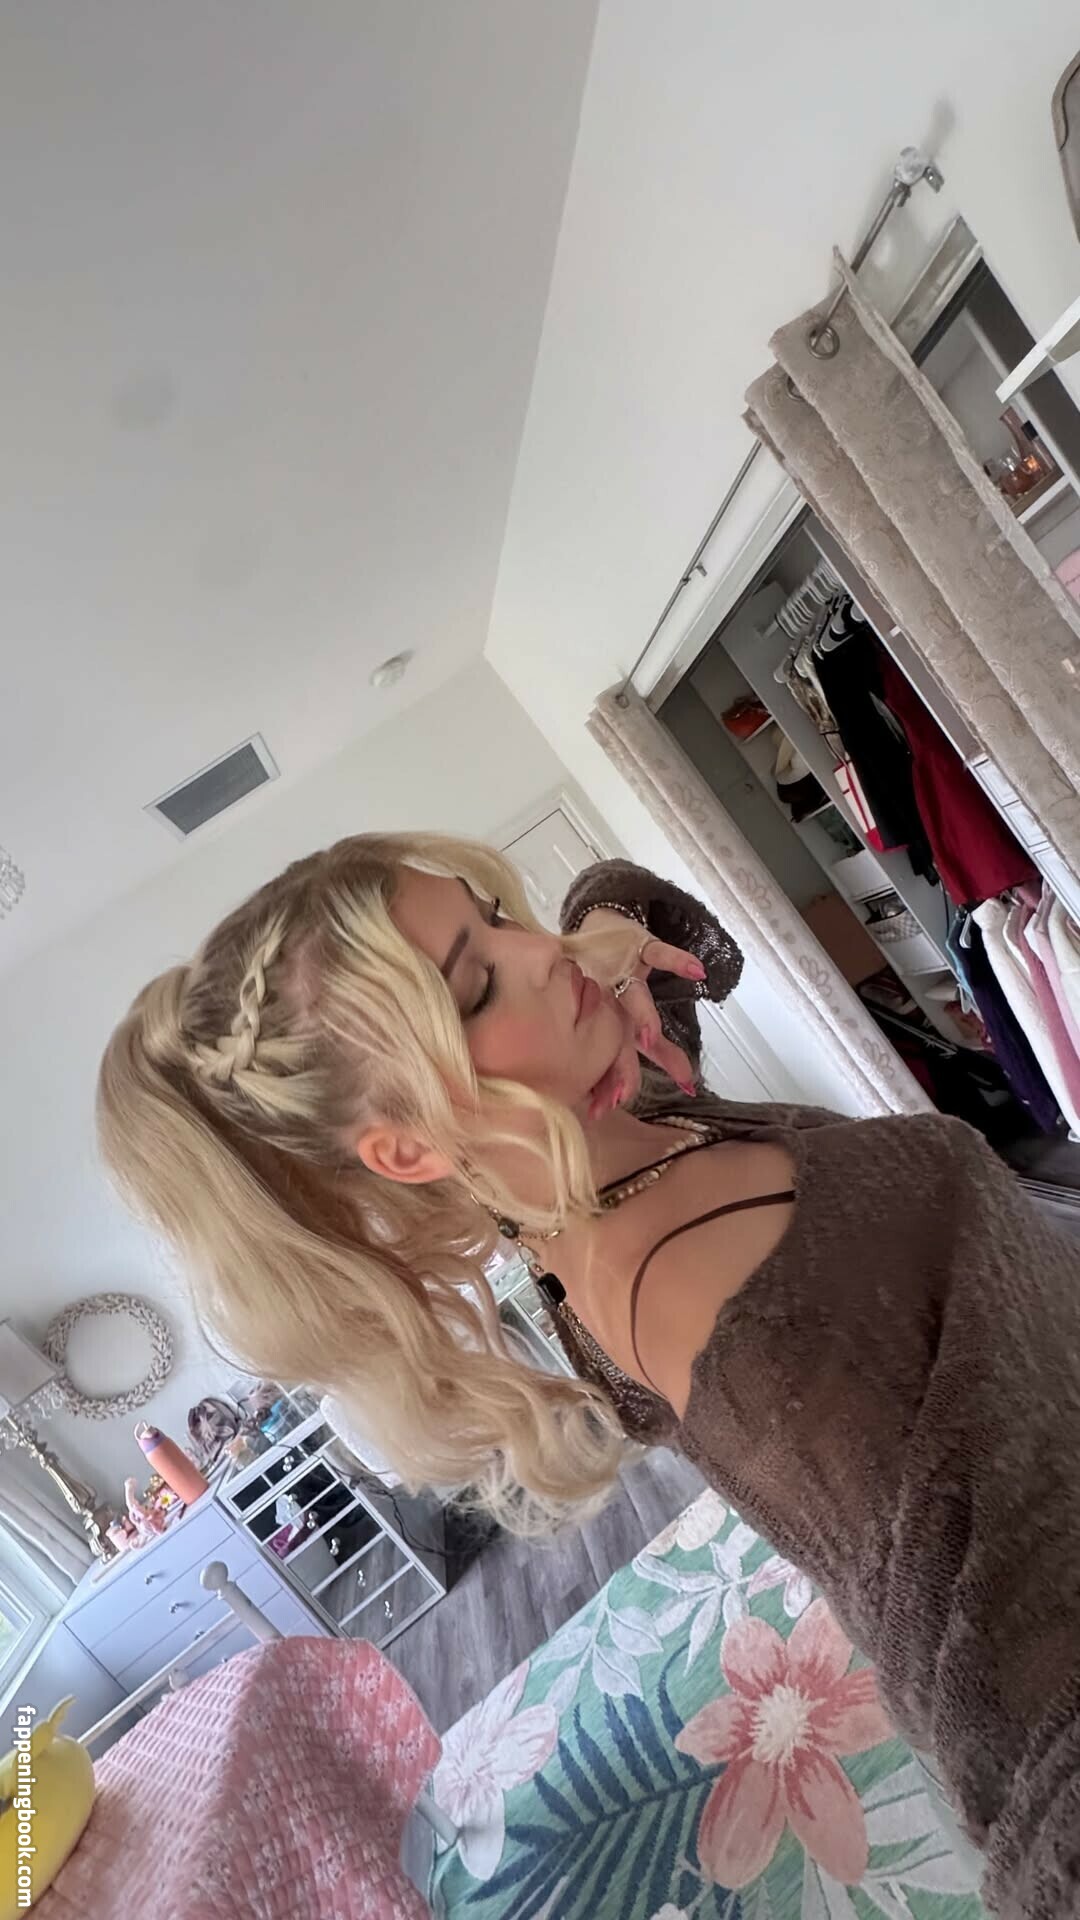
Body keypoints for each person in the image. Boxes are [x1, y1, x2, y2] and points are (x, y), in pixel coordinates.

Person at [98, 831, 1080, 1916]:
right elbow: (1031, 1718)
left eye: (494, 917)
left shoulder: (603, 1146)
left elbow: (636, 913)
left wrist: (605, 937)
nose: (543, 953)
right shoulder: (738, 1316)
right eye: (477, 987)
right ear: (411, 1147)